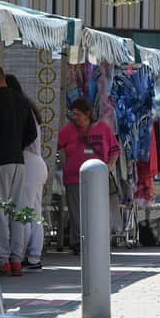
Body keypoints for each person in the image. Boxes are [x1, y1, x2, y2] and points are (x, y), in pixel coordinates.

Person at [0, 64, 37, 277]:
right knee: (17, 210)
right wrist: (17, 145)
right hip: (18, 162)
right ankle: (17, 260)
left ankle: (3, 261)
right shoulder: (22, 100)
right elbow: (32, 133)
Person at [57, 98, 121, 256]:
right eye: (73, 115)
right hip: (73, 177)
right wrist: (64, 162)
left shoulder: (103, 128)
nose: (75, 118)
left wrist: (110, 166)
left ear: (87, 114)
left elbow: (115, 150)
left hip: (98, 178)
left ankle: (97, 241)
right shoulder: (67, 130)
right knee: (76, 212)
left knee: (98, 210)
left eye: (78, 114)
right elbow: (55, 146)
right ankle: (78, 242)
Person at [5, 74, 48, 271]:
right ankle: (34, 256)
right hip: (38, 163)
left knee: (24, 212)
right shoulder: (30, 108)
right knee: (35, 212)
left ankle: (22, 255)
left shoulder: (19, 110)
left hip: (28, 163)